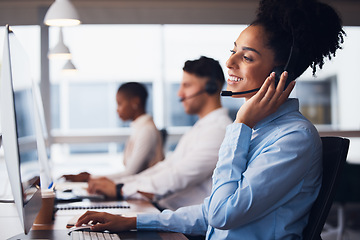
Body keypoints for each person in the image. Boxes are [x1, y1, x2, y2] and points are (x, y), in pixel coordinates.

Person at [76, 0, 346, 238]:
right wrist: (133, 221)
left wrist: (240, 125)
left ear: (280, 73)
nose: (230, 63)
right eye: (234, 51)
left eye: (247, 57)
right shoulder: (257, 131)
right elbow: (209, 213)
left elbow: (222, 215)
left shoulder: (293, 138)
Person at [87, 56, 233, 210]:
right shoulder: (200, 128)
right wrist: (120, 185)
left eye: (187, 85)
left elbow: (176, 176)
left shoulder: (218, 131)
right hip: (164, 212)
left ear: (212, 87)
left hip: (185, 228)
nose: (180, 94)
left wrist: (120, 189)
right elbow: (165, 167)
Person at [63, 82, 164, 182]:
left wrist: (90, 178)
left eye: (120, 104)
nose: (117, 110)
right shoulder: (139, 127)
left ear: (135, 102)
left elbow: (130, 173)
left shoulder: (146, 130)